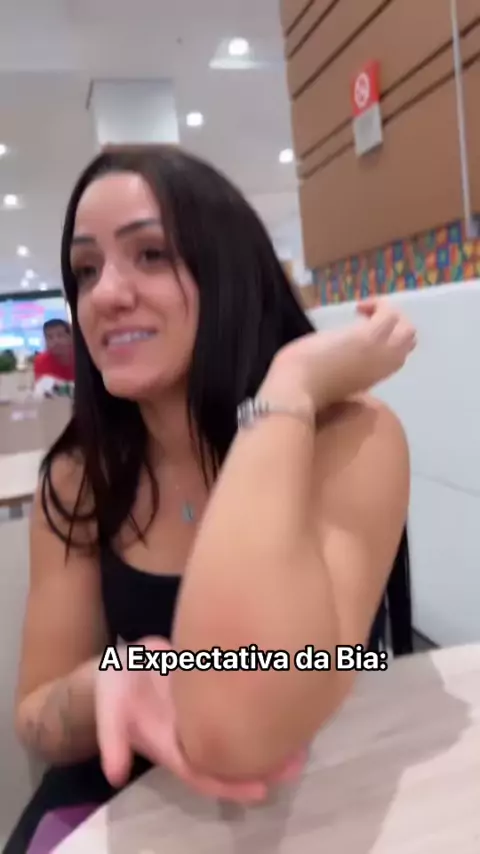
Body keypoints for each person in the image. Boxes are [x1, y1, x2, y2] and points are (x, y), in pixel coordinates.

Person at [6, 147, 415, 852]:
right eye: (86, 270)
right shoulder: (77, 479)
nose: (105, 295)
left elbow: (244, 722)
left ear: (228, 271)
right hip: (110, 813)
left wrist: (289, 389)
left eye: (151, 254)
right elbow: (35, 713)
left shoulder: (348, 438)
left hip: (303, 809)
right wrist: (107, 682)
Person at [33, 319, 74, 385]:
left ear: (70, 338)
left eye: (60, 335)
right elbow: (43, 388)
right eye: (50, 337)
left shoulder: (83, 357)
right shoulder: (41, 361)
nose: (56, 341)